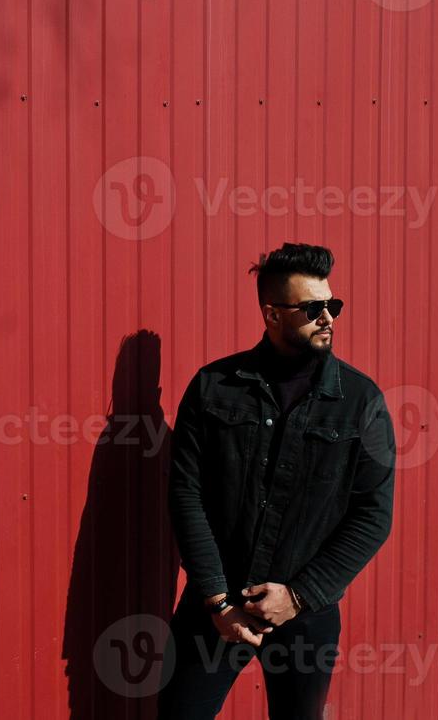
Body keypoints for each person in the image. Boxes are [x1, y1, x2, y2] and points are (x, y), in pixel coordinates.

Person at [158, 243, 396, 719]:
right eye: (312, 308)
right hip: (216, 609)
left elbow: (373, 515)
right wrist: (219, 598)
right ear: (271, 313)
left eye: (333, 305)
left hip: (306, 614)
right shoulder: (213, 387)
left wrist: (299, 596)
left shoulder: (360, 400)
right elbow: (187, 495)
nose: (327, 317)